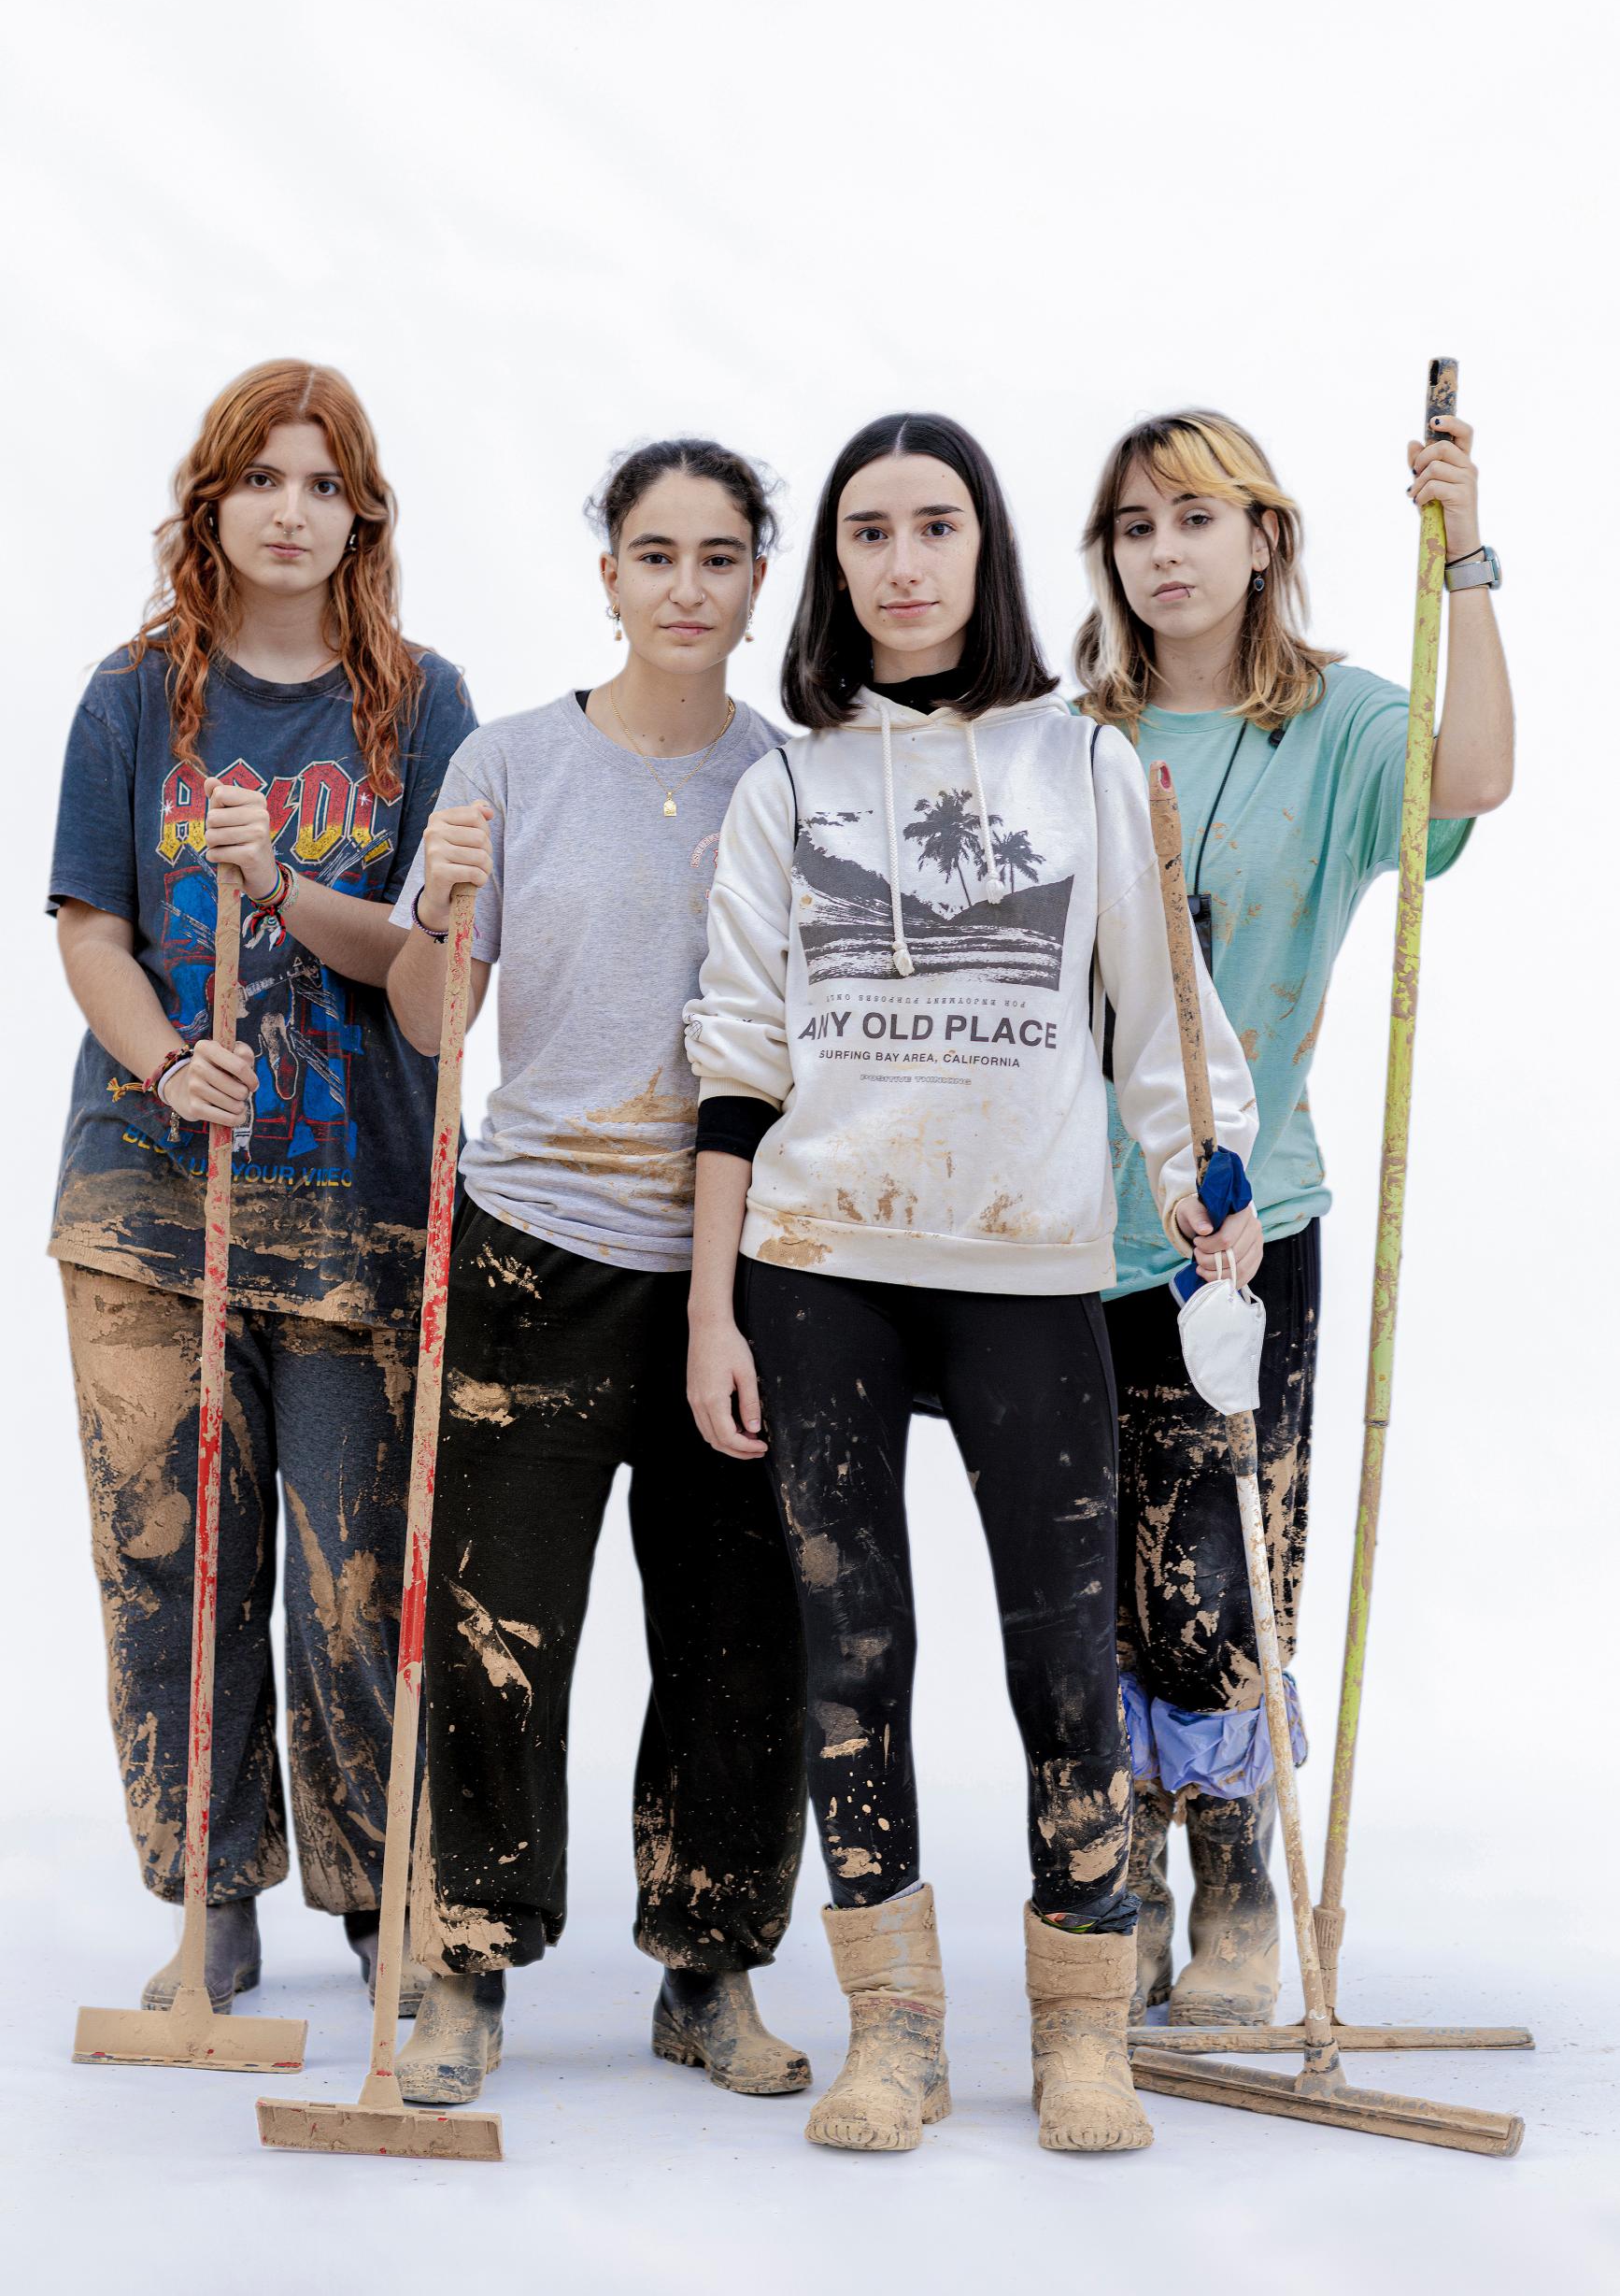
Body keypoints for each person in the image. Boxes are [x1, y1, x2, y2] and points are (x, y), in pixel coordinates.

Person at [683, 411, 1258, 2156]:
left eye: (935, 526)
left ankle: (1079, 2030)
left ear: (984, 552)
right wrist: (711, 1309)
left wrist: (1205, 1170)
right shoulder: (786, 787)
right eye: (868, 532)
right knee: (852, 1648)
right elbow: (737, 1059)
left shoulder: (1083, 765)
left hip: (1027, 1260)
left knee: (1062, 1648)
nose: (903, 562)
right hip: (821, 1263)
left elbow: (1160, 1015)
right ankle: (897, 2031)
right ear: (834, 567)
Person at [1074, 406, 1513, 2026]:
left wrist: (1464, 559)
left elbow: (1473, 778)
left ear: (1264, 539)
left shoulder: (1336, 726)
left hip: (1248, 1225)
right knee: (1089, 1576)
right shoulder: (1073, 740)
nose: (1164, 553)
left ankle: (1233, 1874)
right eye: (1133, 527)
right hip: (1064, 1229)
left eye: (1196, 518)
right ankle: (1113, 1871)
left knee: (1221, 1571)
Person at [49, 358, 476, 2015]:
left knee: (353, 1575)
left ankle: (377, 1900)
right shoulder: (133, 695)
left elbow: (429, 965)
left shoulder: (420, 706)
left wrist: (281, 884)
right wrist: (168, 1061)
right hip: (149, 1203)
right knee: (170, 1562)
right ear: (211, 501)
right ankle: (206, 1896)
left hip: (358, 1203)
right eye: (260, 479)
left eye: (323, 484)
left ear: (360, 516)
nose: (290, 511)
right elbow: (94, 928)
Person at [385, 438, 808, 2109]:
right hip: (531, 1251)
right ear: (609, 576)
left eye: (718, 557)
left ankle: (710, 1969)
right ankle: (464, 1969)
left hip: (738, 1266)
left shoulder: (791, 782)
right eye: (654, 555)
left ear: (759, 578)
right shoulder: (507, 764)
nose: (685, 588)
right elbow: (434, 1022)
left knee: (737, 1637)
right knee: (497, 1628)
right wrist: (441, 911)